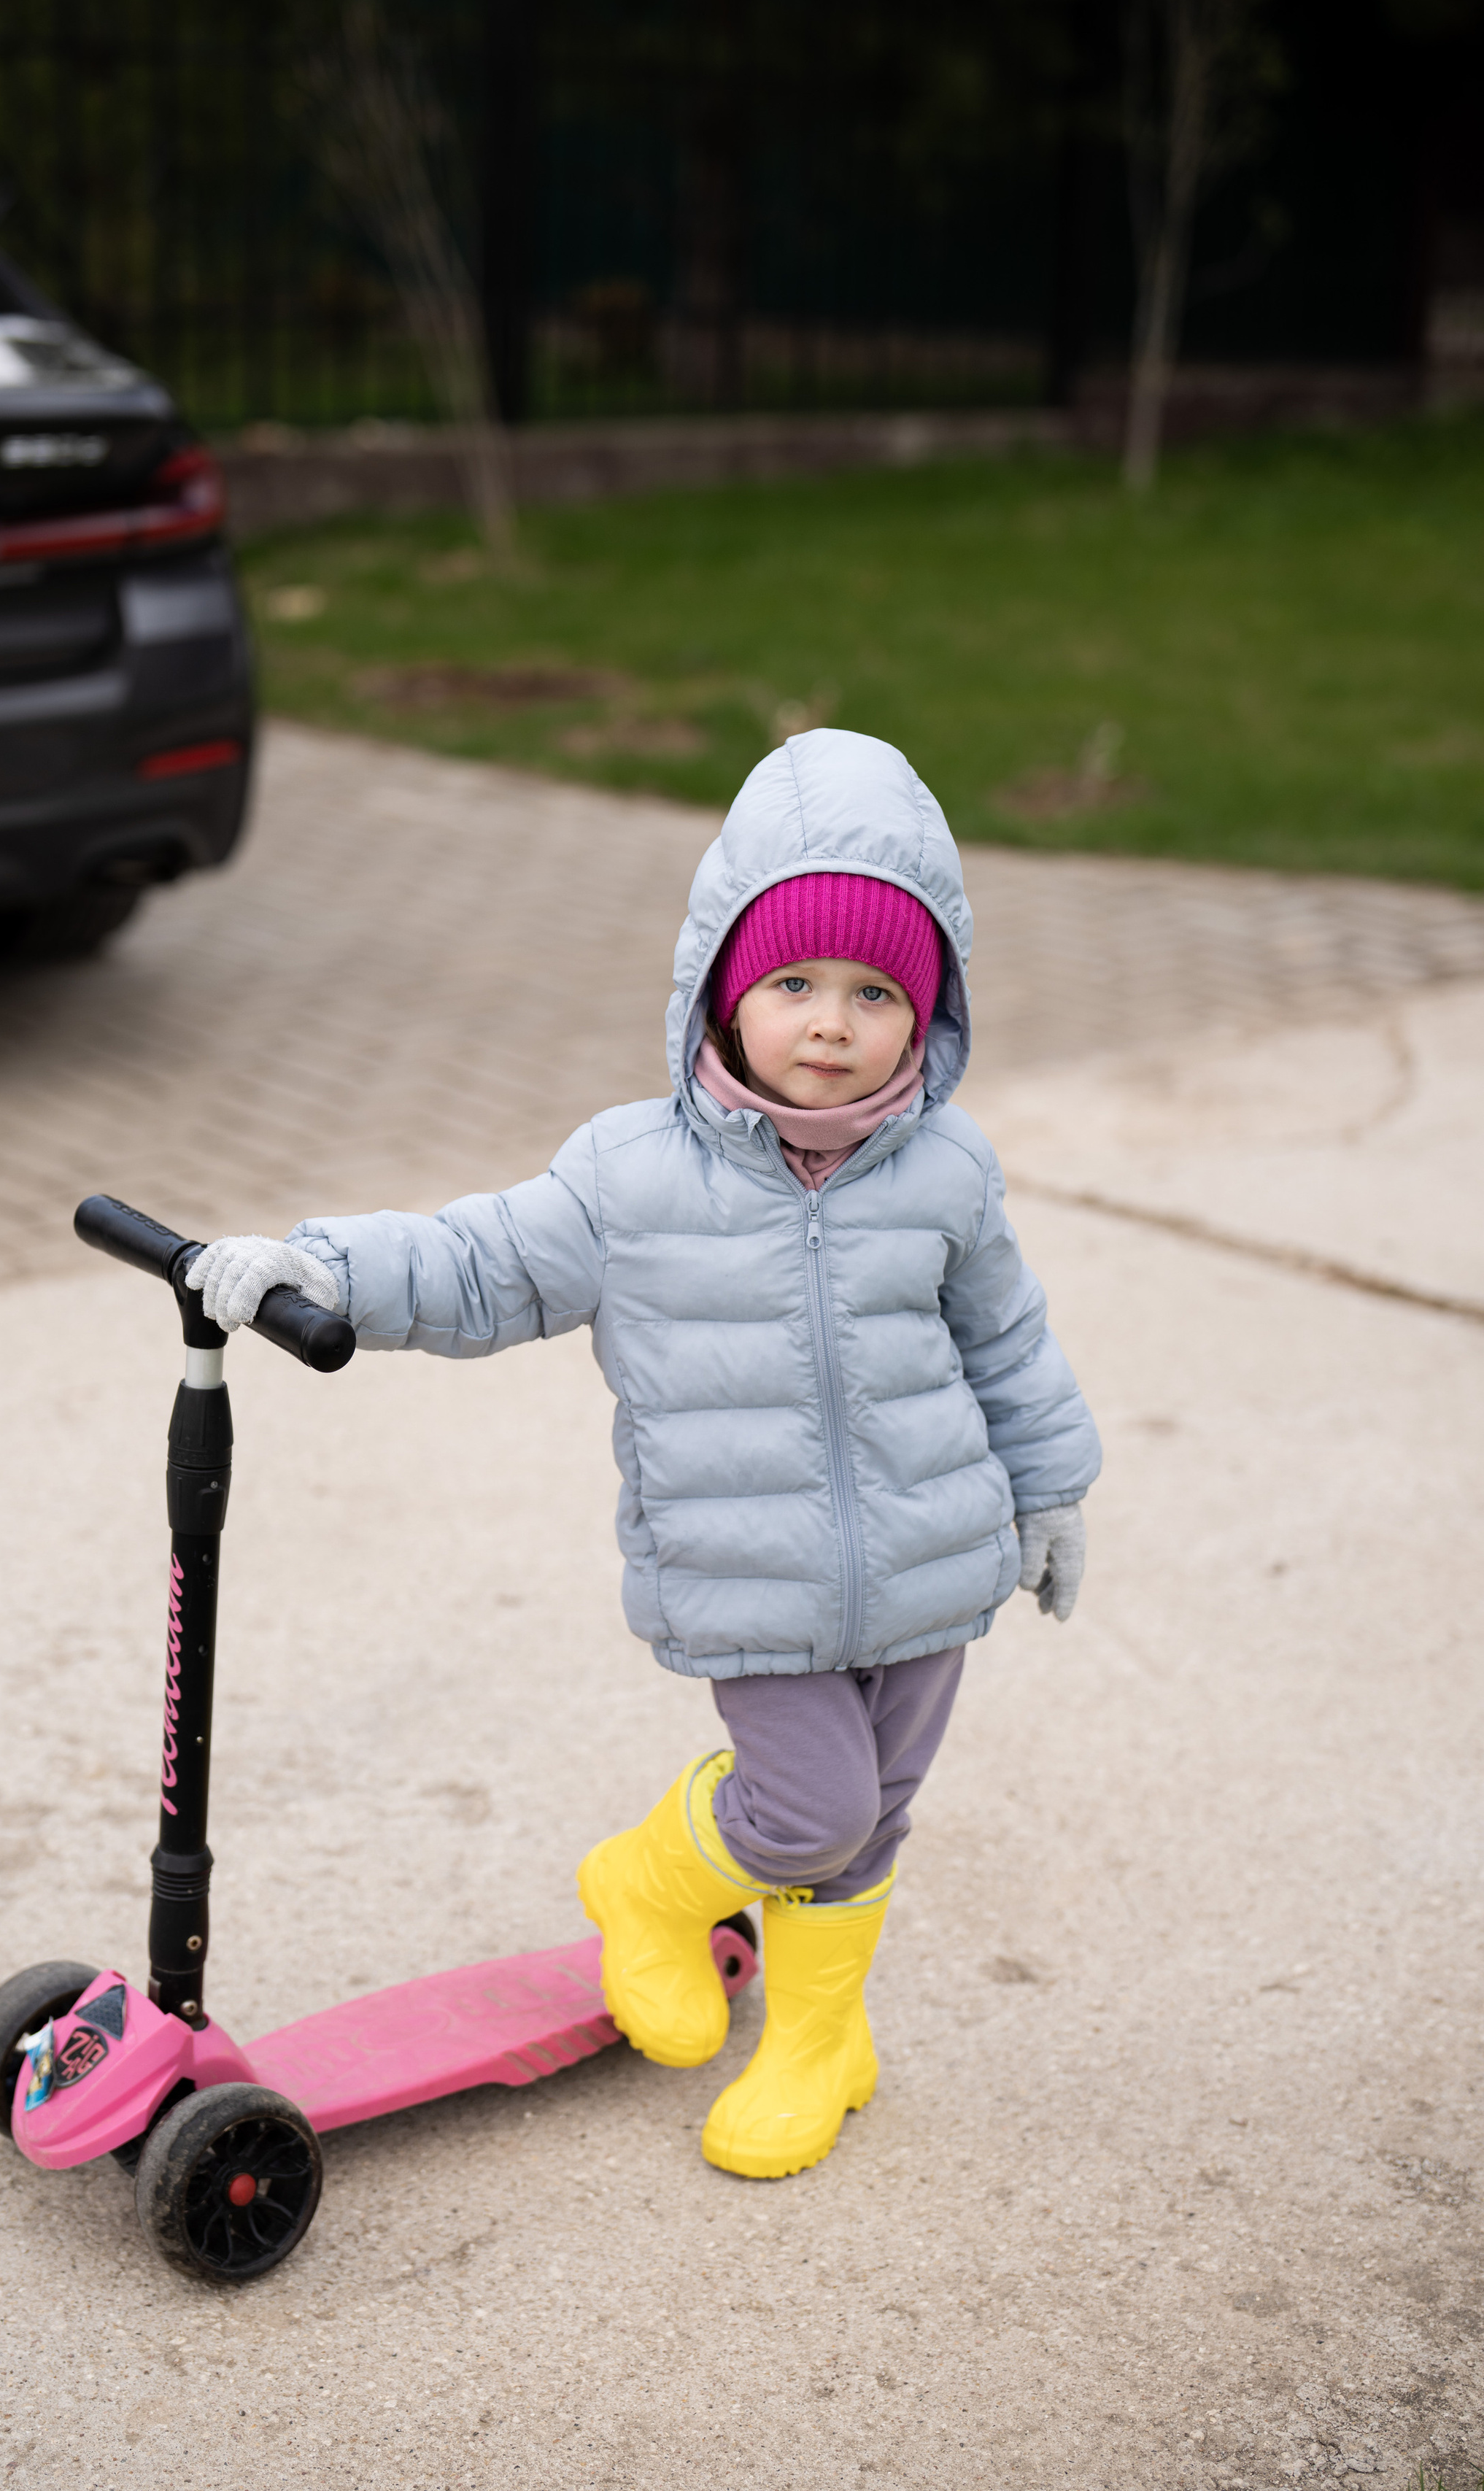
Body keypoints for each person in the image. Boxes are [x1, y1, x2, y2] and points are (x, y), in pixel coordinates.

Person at [188, 728, 1100, 2179]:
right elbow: (479, 1263)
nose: (830, 1025)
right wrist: (322, 1265)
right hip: (753, 1575)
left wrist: (1048, 1489)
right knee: (808, 1813)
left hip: (935, 1559)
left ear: (927, 1015)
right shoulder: (630, 1177)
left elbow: (1004, 1339)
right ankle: (649, 1884)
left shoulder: (947, 1169)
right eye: (793, 984)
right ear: (720, 989)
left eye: (875, 993)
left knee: (873, 1822)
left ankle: (818, 2041)